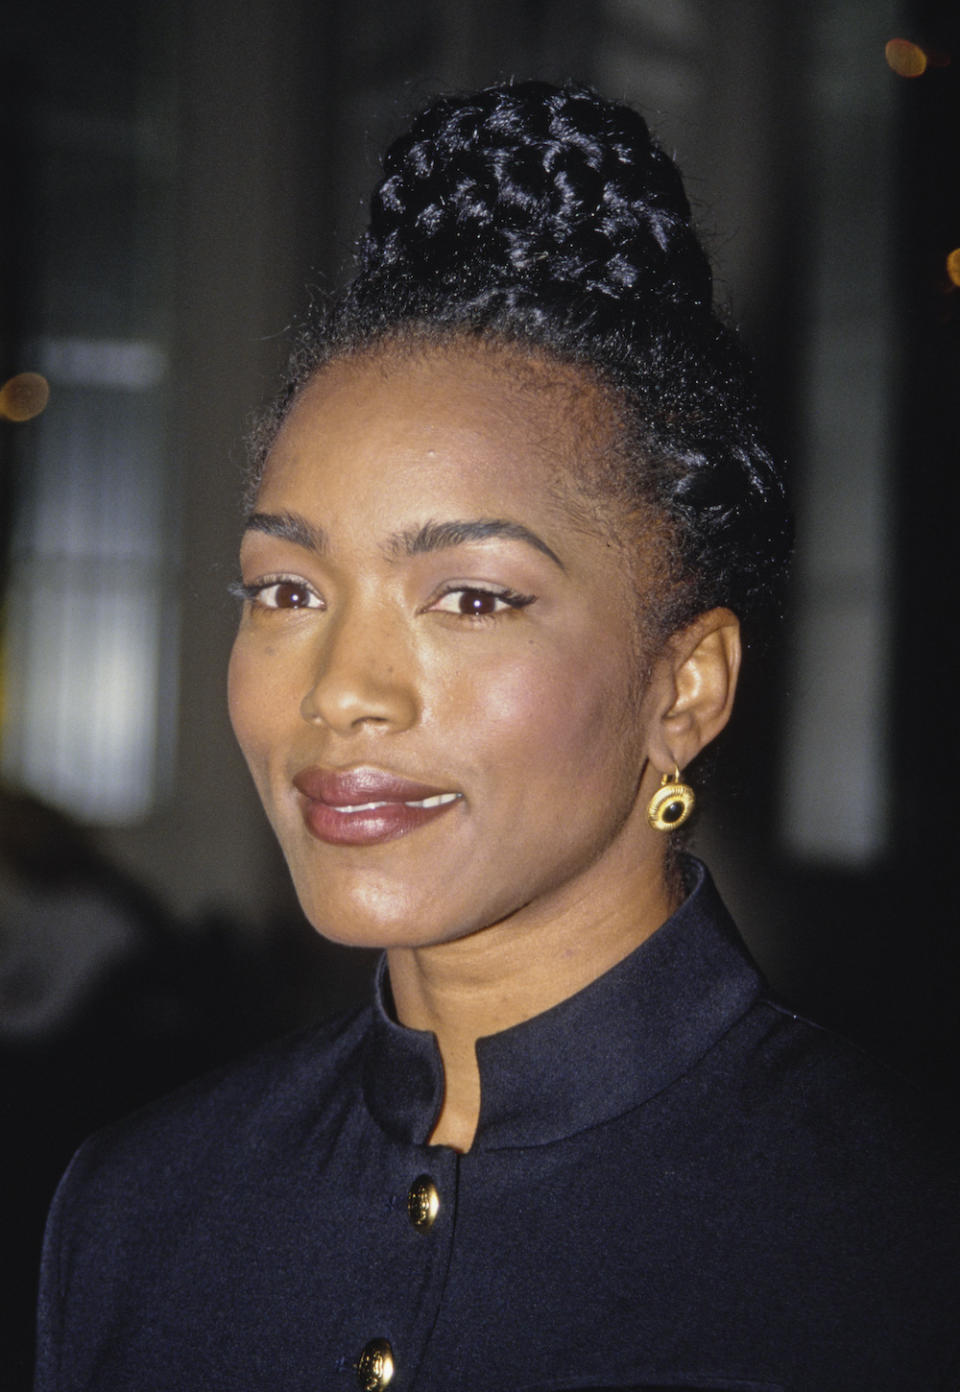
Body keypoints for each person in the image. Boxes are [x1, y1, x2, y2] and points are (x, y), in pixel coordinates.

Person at [34, 81, 958, 1392]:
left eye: (471, 597)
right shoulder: (135, 1214)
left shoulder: (899, 1253)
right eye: (286, 591)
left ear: (685, 687)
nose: (341, 692)